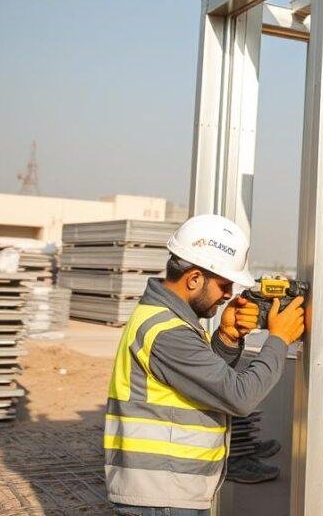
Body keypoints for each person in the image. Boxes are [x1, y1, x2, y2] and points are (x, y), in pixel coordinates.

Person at [104, 214, 305, 516]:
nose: (228, 296)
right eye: (224, 285)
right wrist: (279, 338)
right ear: (195, 279)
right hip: (162, 500)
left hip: (167, 494)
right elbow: (239, 397)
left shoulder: (166, 319)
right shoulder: (168, 332)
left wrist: (226, 336)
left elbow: (200, 385)